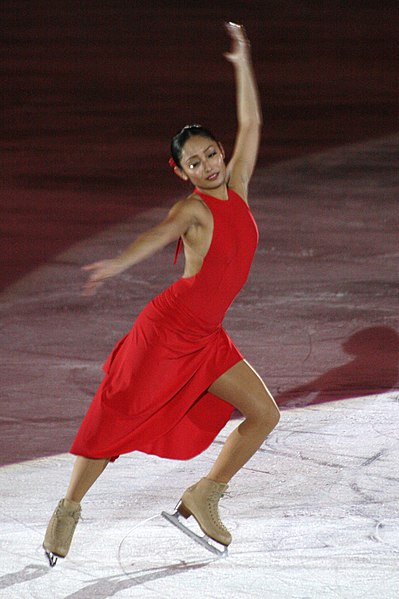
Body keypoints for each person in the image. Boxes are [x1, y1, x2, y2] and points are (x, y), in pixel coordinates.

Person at [43, 22, 280, 565]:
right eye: (195, 163)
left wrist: (241, 59)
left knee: (264, 414)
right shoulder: (195, 208)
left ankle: (205, 494)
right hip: (167, 332)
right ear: (182, 173)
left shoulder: (238, 185)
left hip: (207, 338)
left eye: (212, 153)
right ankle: (69, 508)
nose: (210, 165)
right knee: (117, 418)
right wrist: (118, 263)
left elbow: (252, 120)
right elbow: (158, 234)